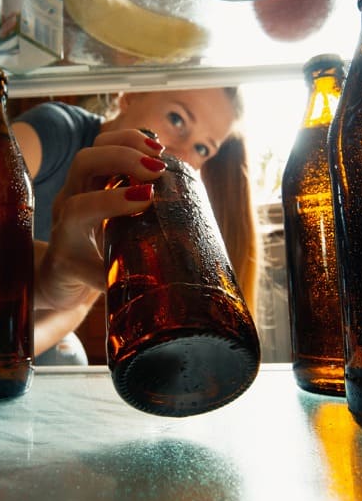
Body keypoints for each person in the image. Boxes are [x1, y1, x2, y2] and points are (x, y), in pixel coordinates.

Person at [13, 88, 259, 365]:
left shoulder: (141, 209)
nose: (180, 153)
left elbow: (76, 306)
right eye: (176, 119)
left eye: (202, 148)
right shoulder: (57, 129)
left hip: (18, 337)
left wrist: (8, 354)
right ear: (130, 96)